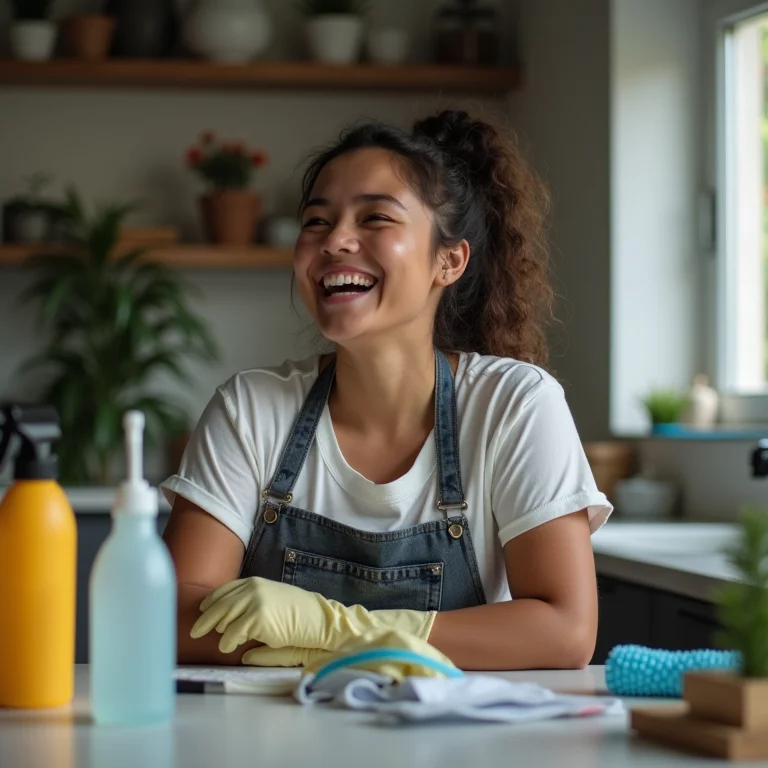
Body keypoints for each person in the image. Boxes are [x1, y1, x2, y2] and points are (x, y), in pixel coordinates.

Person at [160, 109, 612, 671]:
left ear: (448, 261)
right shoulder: (250, 409)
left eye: (375, 217)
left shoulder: (514, 405)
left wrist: (337, 630)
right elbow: (169, 616)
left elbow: (565, 631)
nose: (335, 241)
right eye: (316, 221)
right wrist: (358, 640)